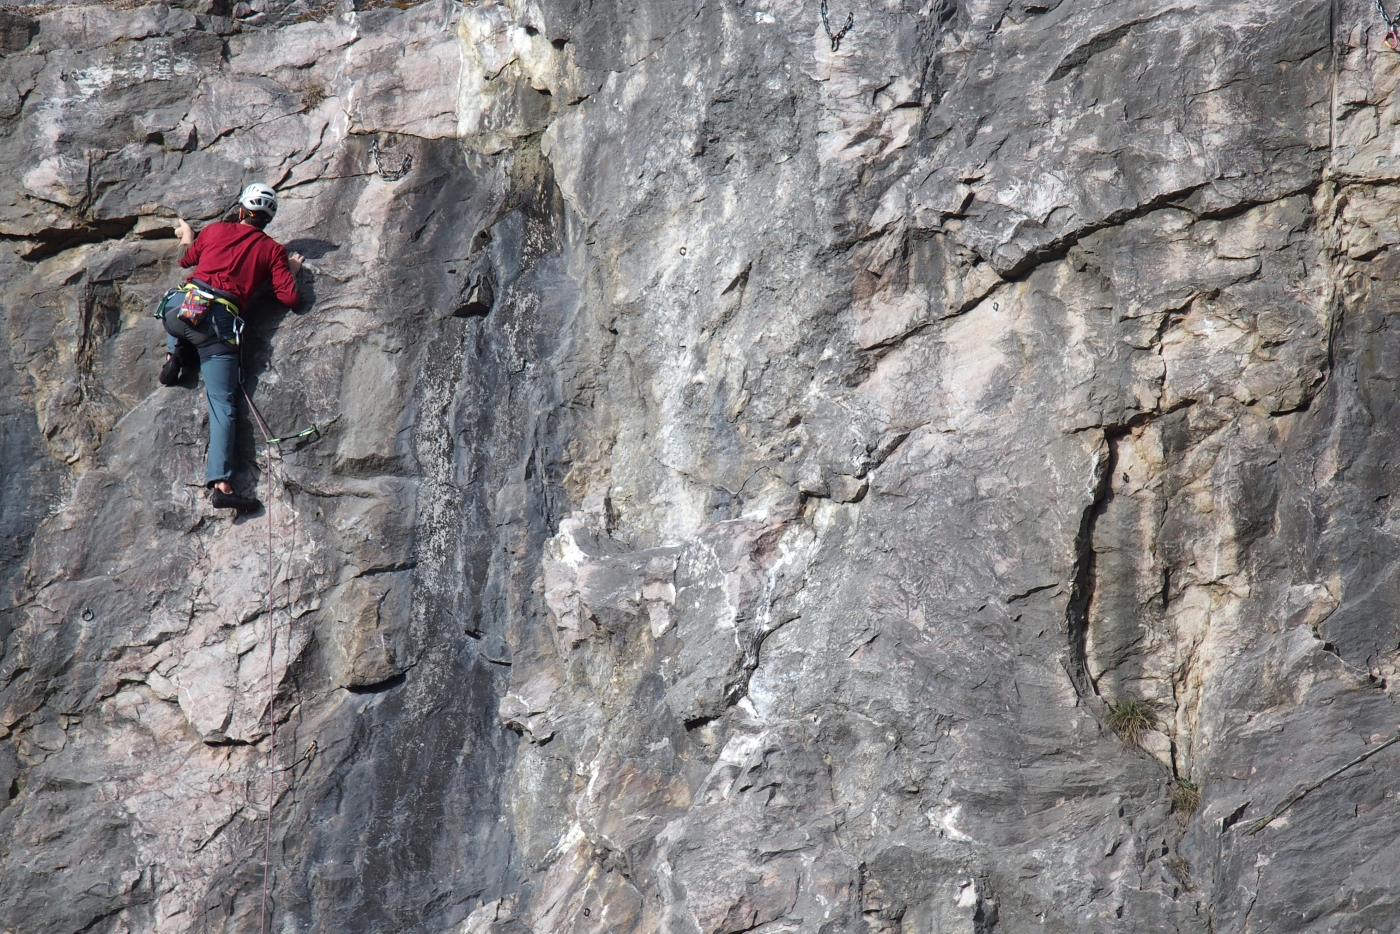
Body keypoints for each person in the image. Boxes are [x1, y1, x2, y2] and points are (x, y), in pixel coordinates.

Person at [158, 183, 304, 513]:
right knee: (222, 404)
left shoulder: (214, 231)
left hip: (182, 311)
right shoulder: (272, 251)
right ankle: (222, 486)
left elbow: (186, 262)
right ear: (267, 220)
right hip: (219, 327)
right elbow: (290, 299)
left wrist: (188, 234)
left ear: (240, 210)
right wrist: (291, 272)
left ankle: (173, 353)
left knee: (177, 295)